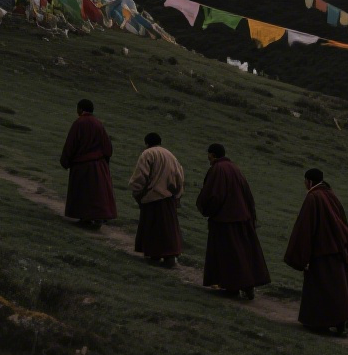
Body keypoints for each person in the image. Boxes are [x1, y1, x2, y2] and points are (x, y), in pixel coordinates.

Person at [284, 168, 348, 335]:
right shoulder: (330, 194)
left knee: (322, 289)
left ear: (309, 181)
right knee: (338, 288)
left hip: (321, 251)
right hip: (337, 249)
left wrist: (300, 256)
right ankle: (340, 324)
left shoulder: (313, 197)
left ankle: (319, 323)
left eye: (305, 181)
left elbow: (305, 227)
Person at [194, 143, 271, 299]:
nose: (208, 158)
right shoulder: (235, 168)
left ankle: (234, 286)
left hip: (225, 220)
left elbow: (213, 195)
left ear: (213, 155)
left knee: (229, 254)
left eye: (208, 154)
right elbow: (247, 194)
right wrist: (251, 215)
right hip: (242, 218)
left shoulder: (217, 169)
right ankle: (246, 286)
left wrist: (205, 209)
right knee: (241, 253)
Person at [58, 99, 116, 229]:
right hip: (98, 164)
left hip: (82, 165)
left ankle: (85, 218)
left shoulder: (79, 123)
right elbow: (107, 147)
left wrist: (65, 161)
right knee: (96, 193)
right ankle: (96, 218)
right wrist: (104, 161)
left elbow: (71, 144)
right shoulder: (99, 124)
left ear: (80, 109)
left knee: (83, 192)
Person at [129, 132, 184, 267]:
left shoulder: (148, 154)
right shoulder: (171, 155)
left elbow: (141, 175)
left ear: (147, 143)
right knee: (168, 228)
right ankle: (170, 256)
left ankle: (154, 255)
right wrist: (177, 195)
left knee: (153, 227)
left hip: (152, 196)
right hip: (169, 197)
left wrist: (136, 190)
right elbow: (179, 176)